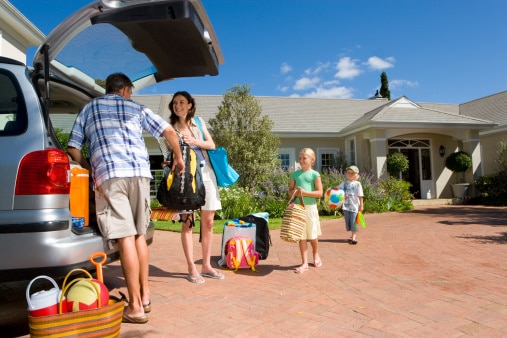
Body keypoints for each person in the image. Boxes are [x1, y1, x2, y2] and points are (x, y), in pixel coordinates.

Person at [67, 73, 184, 324]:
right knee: (140, 233)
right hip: (140, 175)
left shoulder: (89, 108)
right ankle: (145, 297)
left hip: (110, 174)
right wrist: (179, 157)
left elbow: (73, 148)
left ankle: (135, 307)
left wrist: (91, 167)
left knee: (125, 236)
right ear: (125, 90)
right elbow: (168, 131)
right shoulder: (136, 107)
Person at [159, 91, 224, 284]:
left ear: (189, 105)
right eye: (175, 103)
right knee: (187, 221)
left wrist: (195, 141)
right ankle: (191, 267)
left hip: (205, 174)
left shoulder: (199, 123)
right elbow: (167, 155)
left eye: (181, 102)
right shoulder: (170, 129)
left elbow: (211, 145)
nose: (177, 105)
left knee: (209, 220)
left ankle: (206, 265)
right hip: (185, 177)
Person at [288, 148, 323, 274]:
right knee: (301, 236)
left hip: (311, 209)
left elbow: (319, 193)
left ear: (312, 160)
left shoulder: (315, 174)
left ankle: (316, 254)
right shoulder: (295, 175)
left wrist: (304, 192)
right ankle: (304, 263)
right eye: (300, 158)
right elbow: (290, 191)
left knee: (312, 235)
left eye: (304, 158)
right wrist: (296, 192)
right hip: (299, 209)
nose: (301, 161)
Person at [337, 165, 364, 245]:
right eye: (349, 173)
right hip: (346, 207)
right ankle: (351, 235)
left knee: (353, 222)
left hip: (355, 207)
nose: (350, 174)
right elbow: (338, 191)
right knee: (348, 222)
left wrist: (361, 205)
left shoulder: (357, 184)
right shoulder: (344, 183)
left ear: (357, 175)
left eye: (352, 173)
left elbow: (360, 195)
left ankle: (354, 237)